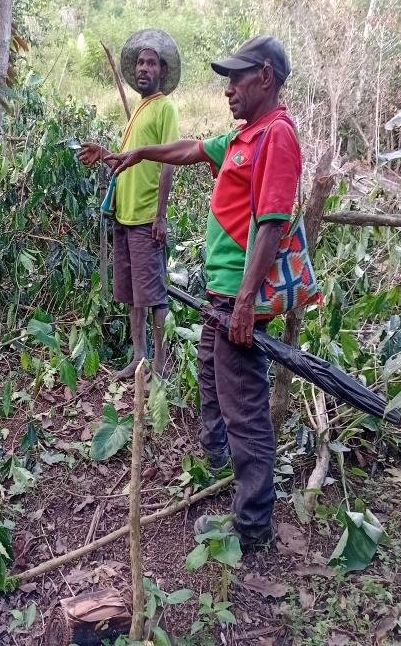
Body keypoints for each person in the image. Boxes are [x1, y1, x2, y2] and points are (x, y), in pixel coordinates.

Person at [106, 35, 301, 551]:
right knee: (210, 380)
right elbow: (192, 149)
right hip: (219, 295)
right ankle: (219, 471)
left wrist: (244, 301)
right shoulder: (243, 137)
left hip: (239, 297)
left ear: (265, 76)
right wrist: (139, 152)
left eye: (236, 78)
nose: (227, 89)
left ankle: (252, 525)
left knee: (244, 407)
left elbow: (271, 226)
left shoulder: (276, 137)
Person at [78, 29, 180, 379]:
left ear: (162, 72)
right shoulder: (140, 108)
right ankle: (139, 360)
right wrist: (104, 154)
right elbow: (129, 161)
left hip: (146, 217)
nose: (144, 68)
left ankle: (162, 370)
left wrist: (161, 215)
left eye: (151, 63)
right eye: (140, 62)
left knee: (155, 297)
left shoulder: (165, 108)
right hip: (125, 215)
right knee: (136, 295)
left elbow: (169, 161)